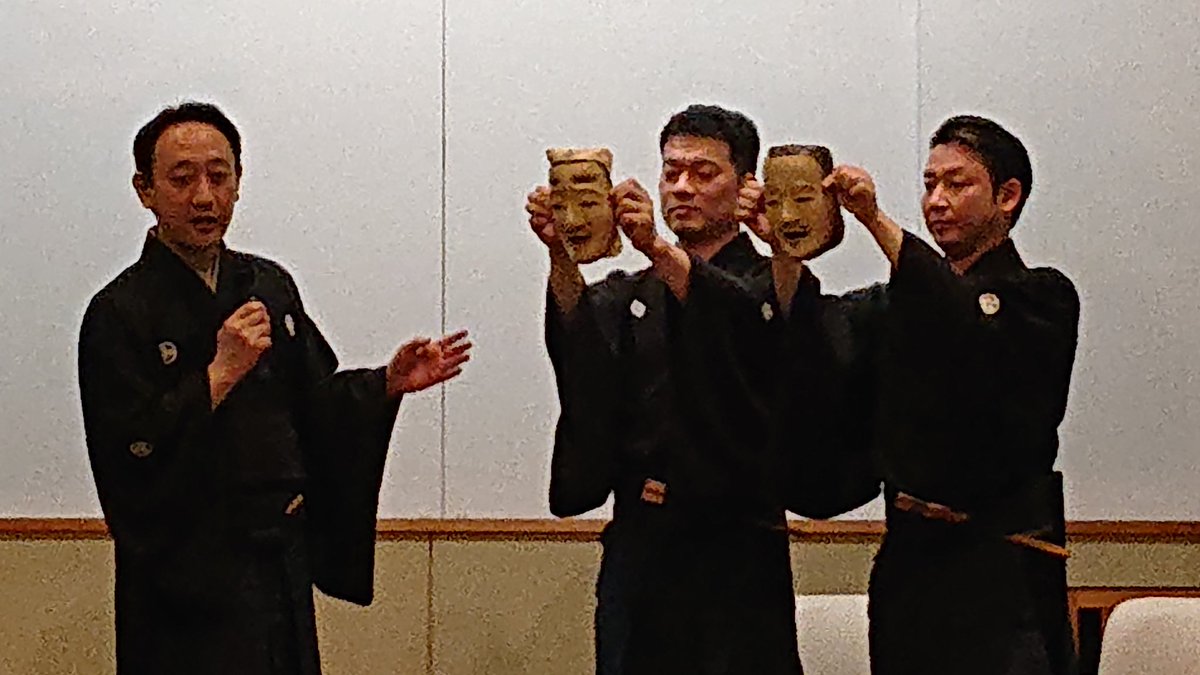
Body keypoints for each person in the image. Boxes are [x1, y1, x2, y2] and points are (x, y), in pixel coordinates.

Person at [77, 101, 472, 675]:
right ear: (145, 190)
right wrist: (218, 375)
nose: (204, 197)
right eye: (182, 179)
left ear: (239, 182)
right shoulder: (118, 312)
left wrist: (384, 384)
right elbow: (127, 455)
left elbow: (314, 409)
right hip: (182, 585)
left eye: (219, 176)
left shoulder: (267, 284)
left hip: (276, 569)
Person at [768, 115, 1080, 675]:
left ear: (1007, 196)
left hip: (1003, 565)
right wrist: (785, 250)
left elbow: (960, 322)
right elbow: (816, 341)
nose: (936, 200)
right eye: (930, 183)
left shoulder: (1041, 296)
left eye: (957, 184)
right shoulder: (890, 305)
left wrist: (873, 218)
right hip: (910, 561)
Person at [529, 104, 823, 674]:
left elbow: (750, 331)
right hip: (642, 539)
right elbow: (579, 349)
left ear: (746, 186)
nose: (682, 187)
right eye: (671, 172)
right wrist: (559, 252)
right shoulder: (632, 291)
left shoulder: (773, 283)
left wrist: (657, 248)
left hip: (736, 543)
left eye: (703, 173)